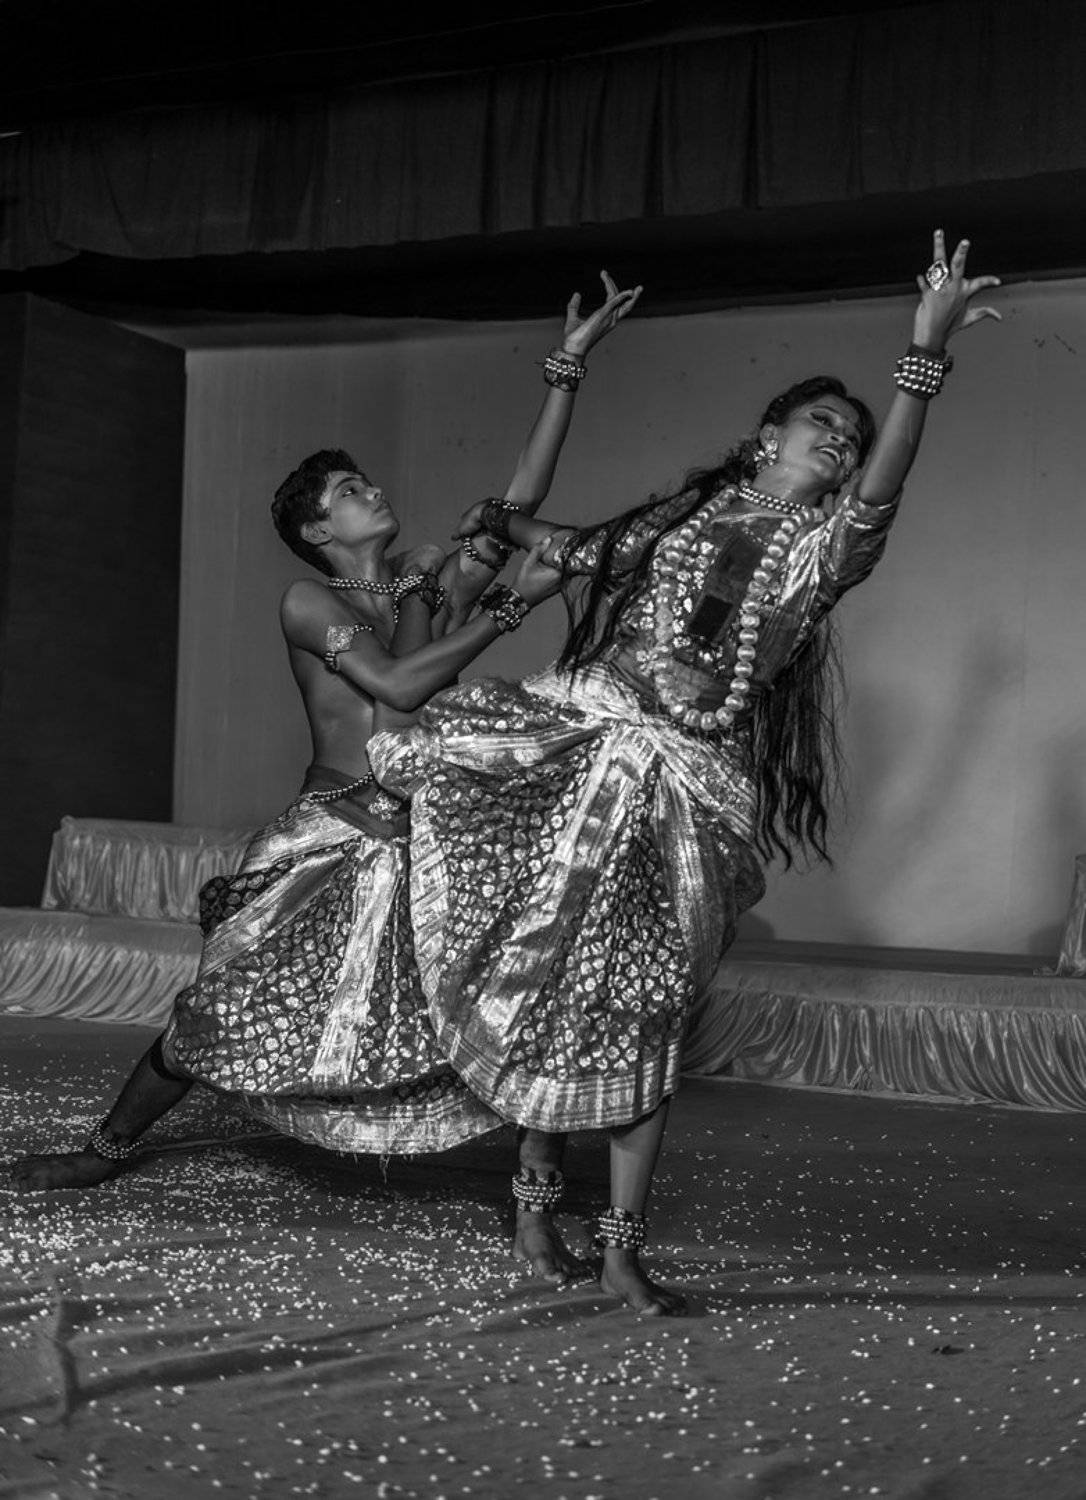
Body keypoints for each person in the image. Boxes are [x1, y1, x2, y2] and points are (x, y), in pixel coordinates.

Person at [370, 232, 1001, 1315]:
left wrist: (924, 355)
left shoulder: (823, 553)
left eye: (851, 440)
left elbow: (881, 493)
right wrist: (554, 399)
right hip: (586, 748)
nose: (841, 441)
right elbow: (554, 537)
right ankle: (532, 1209)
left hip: (688, 790)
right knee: (548, 984)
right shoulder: (676, 522)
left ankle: (621, 1250)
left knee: (646, 1010)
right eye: (823, 422)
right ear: (768, 438)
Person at [9, 274, 642, 1255]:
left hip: (423, 831)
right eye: (348, 492)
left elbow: (517, 501)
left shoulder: (425, 581)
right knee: (222, 1013)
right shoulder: (310, 602)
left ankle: (535, 1204)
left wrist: (569, 365)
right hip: (331, 829)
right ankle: (103, 1149)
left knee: (508, 995)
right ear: (317, 531)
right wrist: (510, 607)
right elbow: (397, 693)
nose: (370, 491)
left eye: (365, 481)